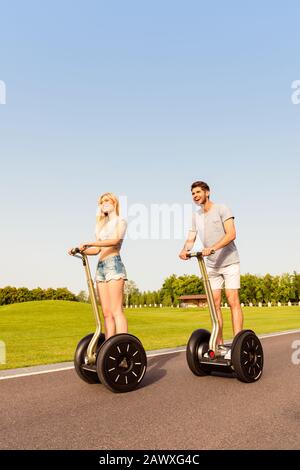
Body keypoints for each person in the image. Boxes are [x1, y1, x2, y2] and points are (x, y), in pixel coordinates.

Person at [179, 181, 243, 350]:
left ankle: (238, 343)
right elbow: (191, 238)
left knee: (232, 300)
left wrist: (213, 248)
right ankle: (219, 344)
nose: (195, 196)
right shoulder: (196, 216)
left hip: (230, 261)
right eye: (193, 193)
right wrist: (185, 250)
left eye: (198, 192)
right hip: (212, 265)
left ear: (207, 192)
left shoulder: (222, 208)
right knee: (214, 304)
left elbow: (232, 234)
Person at [69, 192, 128, 339]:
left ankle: (122, 345)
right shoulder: (100, 226)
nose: (104, 204)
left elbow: (114, 241)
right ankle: (109, 349)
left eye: (107, 200)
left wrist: (91, 242)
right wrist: (81, 250)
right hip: (100, 267)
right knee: (106, 313)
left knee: (116, 311)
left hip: (114, 264)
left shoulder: (120, 221)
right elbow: (96, 250)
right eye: (101, 202)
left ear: (114, 203)